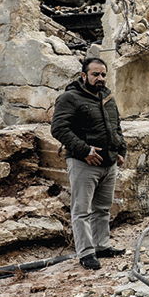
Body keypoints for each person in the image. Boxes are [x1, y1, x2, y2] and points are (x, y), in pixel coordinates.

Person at [51, 56, 127, 270]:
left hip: (108, 164)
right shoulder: (70, 98)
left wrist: (121, 149)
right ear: (83, 75)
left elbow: (116, 126)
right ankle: (86, 253)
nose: (100, 78)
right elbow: (58, 129)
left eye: (103, 74)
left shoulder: (107, 97)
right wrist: (85, 150)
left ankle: (102, 246)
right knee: (82, 210)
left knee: (102, 208)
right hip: (83, 163)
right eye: (95, 74)